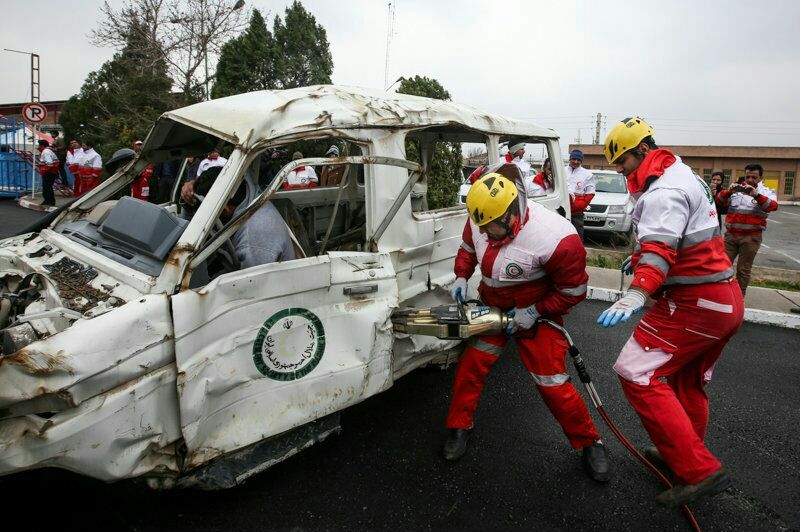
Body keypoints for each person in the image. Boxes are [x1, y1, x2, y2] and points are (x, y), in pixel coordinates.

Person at [597, 117, 743, 508]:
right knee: (686, 381)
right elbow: (677, 239)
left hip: (695, 303)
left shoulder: (664, 190)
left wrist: (637, 293)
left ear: (643, 150)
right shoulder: (682, 171)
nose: (620, 170)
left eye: (623, 161)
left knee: (635, 372)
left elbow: (662, 250)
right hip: (724, 300)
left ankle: (698, 470)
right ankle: (684, 456)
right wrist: (639, 256)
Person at [444, 171, 610, 482]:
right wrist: (461, 276)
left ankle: (590, 442)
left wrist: (535, 311)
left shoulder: (556, 237)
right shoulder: (482, 215)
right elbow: (468, 250)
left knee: (553, 383)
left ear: (510, 214)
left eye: (489, 226)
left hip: (538, 315)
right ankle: (458, 426)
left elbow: (574, 291)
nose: (482, 231)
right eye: (478, 225)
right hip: (493, 308)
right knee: (471, 365)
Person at [193, 166, 296, 269]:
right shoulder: (250, 194)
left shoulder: (252, 239)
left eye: (208, 214)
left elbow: (252, 284)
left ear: (225, 210)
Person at [715, 163, 778, 295]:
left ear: (760, 178)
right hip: (731, 236)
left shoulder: (766, 191)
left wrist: (756, 195)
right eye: (747, 176)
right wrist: (728, 192)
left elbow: (772, 206)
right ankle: (722, 295)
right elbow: (718, 202)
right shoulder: (736, 189)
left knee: (743, 270)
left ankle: (739, 297)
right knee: (722, 267)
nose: (750, 180)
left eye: (754, 177)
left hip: (751, 237)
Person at [564, 149, 595, 241]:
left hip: (576, 213)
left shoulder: (587, 174)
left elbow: (590, 193)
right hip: (561, 210)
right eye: (573, 159)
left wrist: (578, 206)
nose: (576, 162)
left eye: (578, 160)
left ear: (581, 161)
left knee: (576, 237)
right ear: (570, 159)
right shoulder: (561, 170)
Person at [36, 140, 60, 207]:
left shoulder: (46, 152)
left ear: (42, 145)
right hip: (49, 171)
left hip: (49, 172)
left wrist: (44, 169)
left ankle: (51, 202)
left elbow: (49, 163)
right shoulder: (47, 151)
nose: (38, 147)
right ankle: (47, 200)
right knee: (46, 187)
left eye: (39, 145)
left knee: (48, 187)